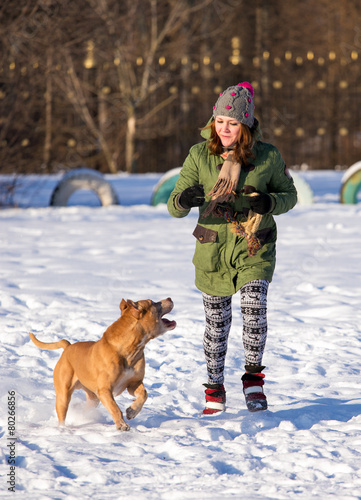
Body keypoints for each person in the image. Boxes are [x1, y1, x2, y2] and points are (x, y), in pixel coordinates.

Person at [167, 82, 297, 415]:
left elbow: (289, 196)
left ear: (247, 125)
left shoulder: (268, 156)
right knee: (217, 325)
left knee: (254, 314)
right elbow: (174, 205)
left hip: (254, 247)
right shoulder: (199, 155)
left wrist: (270, 201)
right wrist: (183, 199)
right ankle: (214, 388)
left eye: (233, 122)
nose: (225, 129)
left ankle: (253, 380)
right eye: (220, 121)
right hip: (211, 251)